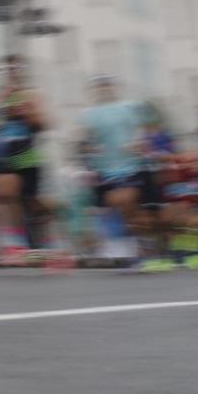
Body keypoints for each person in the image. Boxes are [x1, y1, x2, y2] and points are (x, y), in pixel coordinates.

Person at [0, 55, 51, 264]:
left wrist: (27, 112)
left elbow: (42, 124)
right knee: (4, 195)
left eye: (14, 69)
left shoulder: (32, 94)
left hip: (26, 151)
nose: (10, 73)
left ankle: (48, 230)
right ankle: (14, 244)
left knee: (30, 201)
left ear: (23, 71)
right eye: (6, 69)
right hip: (3, 150)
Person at [79, 75, 148, 266]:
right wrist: (90, 149)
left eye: (107, 86)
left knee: (123, 201)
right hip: (104, 169)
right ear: (94, 92)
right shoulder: (89, 114)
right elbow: (84, 141)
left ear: (114, 88)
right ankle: (122, 246)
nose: (104, 90)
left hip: (130, 166)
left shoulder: (128, 108)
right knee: (109, 208)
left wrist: (138, 144)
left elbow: (143, 133)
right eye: (100, 87)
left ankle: (135, 242)